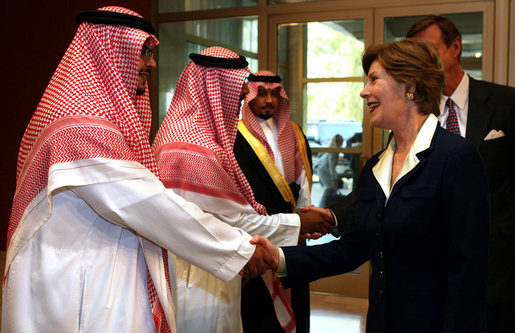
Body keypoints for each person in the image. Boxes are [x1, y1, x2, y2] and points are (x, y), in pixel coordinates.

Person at [2, 7, 274, 332]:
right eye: (143, 51)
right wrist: (238, 248)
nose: (151, 63)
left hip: (102, 272)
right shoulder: (79, 128)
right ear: (110, 51)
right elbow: (146, 202)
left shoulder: (97, 120)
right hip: (80, 287)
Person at [252, 38, 490, 332]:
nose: (364, 91)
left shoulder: (456, 157)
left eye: (374, 79)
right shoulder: (375, 168)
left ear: (409, 85)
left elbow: (468, 269)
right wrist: (279, 257)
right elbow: (351, 249)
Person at [152, 48, 333, 333]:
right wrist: (299, 223)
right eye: (236, 98)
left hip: (208, 268)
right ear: (215, 93)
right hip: (197, 281)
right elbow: (235, 219)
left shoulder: (179, 133)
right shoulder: (194, 148)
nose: (237, 106)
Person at [407, 15, 515, 332]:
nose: (422, 63)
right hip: (432, 272)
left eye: (429, 51)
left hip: (498, 272)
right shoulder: (413, 111)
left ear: (455, 47)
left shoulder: (507, 103)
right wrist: (332, 216)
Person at [234, 70, 313, 332]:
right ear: (251, 96)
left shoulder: (294, 131)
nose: (269, 100)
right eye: (262, 93)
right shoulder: (237, 133)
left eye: (274, 94)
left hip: (291, 226)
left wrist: (304, 221)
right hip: (255, 227)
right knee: (259, 308)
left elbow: (302, 180)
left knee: (295, 295)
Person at [315, 134, 344, 208]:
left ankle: (325, 205)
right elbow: (332, 165)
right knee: (329, 188)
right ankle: (323, 206)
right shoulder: (334, 150)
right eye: (341, 140)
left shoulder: (335, 149)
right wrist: (334, 178)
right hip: (323, 170)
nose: (342, 141)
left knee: (329, 189)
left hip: (323, 168)